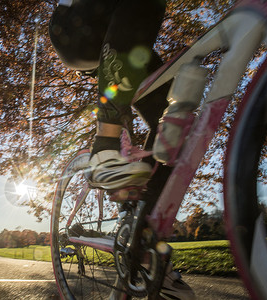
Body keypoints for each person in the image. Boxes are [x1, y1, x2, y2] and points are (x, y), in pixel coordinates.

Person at [49, 0, 195, 299]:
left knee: (175, 123)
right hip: (76, 26)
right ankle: (105, 147)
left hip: (121, 30)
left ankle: (144, 242)